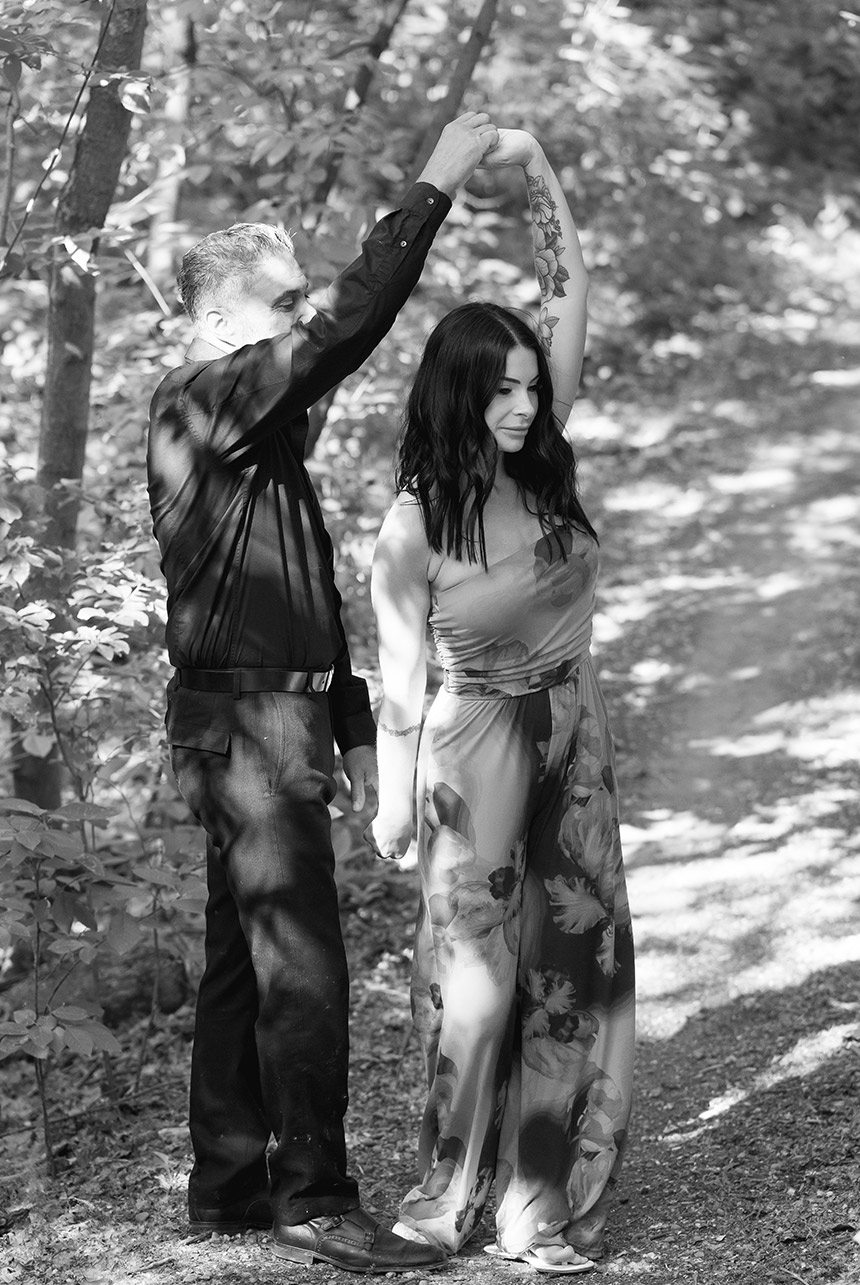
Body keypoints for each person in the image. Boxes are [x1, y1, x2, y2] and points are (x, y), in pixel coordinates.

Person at [146, 111, 500, 1276]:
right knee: (299, 958)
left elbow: (294, 593)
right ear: (212, 323)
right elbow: (353, 323)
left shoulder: (257, 442)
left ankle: (229, 1186)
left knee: (246, 958)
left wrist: (347, 724)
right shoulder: (202, 403)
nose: (301, 319)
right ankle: (313, 1195)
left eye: (299, 300)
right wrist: (433, 184)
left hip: (273, 714)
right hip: (241, 725)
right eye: (280, 302)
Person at [368, 129, 635, 1274]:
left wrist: (538, 168)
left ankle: (536, 1201)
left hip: (571, 731)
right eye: (503, 391)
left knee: (566, 972)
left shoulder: (541, 460)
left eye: (532, 386)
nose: (524, 406)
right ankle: (444, 1194)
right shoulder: (413, 522)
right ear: (458, 392)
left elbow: (570, 281)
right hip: (468, 745)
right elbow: (397, 683)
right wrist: (388, 808)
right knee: (474, 987)